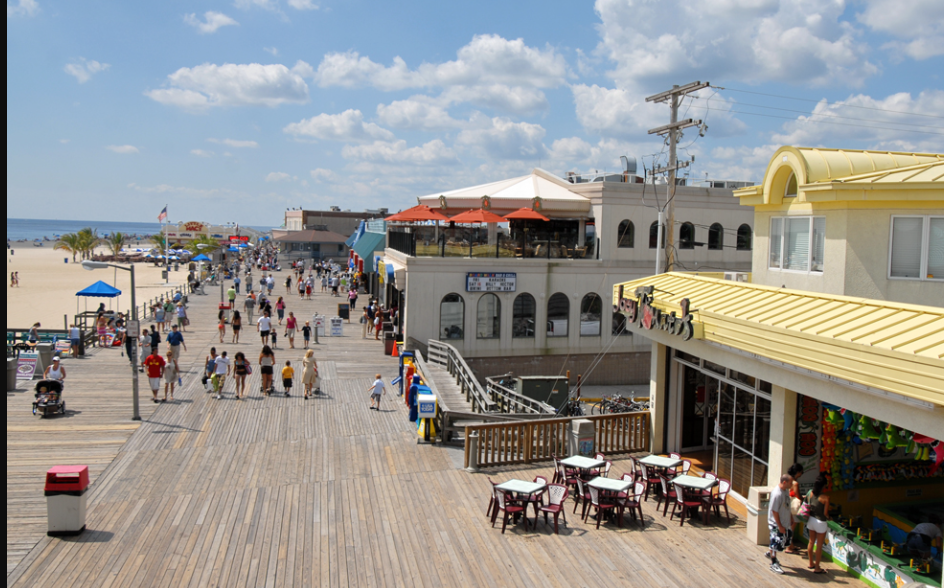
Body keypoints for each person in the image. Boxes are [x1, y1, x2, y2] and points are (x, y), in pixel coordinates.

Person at [766, 474, 794, 574]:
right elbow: (774, 511)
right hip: (776, 524)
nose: (792, 484)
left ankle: (771, 553)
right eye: (790, 482)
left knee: (785, 541)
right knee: (775, 543)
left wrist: (790, 516)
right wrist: (780, 526)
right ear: (784, 482)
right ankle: (773, 563)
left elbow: (787, 505)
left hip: (785, 522)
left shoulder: (785, 491)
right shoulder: (777, 494)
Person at [805, 473, 830, 574]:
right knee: (819, 546)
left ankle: (811, 563)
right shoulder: (826, 498)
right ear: (824, 485)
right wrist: (829, 518)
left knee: (811, 542)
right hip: (820, 522)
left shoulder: (810, 493)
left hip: (810, 520)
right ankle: (817, 568)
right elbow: (825, 513)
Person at [785, 463, 804, 554]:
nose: (801, 474)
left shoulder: (786, 479)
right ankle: (788, 547)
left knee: (789, 527)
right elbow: (798, 496)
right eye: (801, 472)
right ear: (798, 472)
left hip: (787, 506)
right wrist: (803, 499)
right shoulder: (795, 483)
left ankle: (791, 545)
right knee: (792, 528)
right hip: (793, 508)